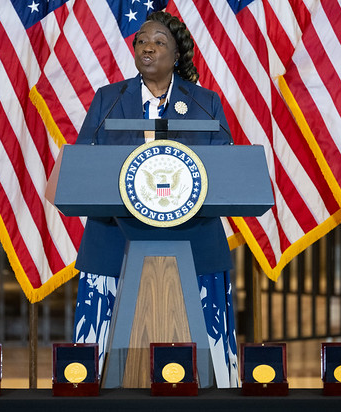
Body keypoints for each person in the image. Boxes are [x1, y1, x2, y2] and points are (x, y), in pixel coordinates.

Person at [72, 11, 238, 388]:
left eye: (159, 42)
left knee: (201, 376)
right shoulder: (109, 99)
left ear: (177, 55)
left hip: (194, 243)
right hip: (114, 241)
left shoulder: (205, 102)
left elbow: (227, 169)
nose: (148, 47)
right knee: (104, 375)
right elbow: (82, 165)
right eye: (142, 41)